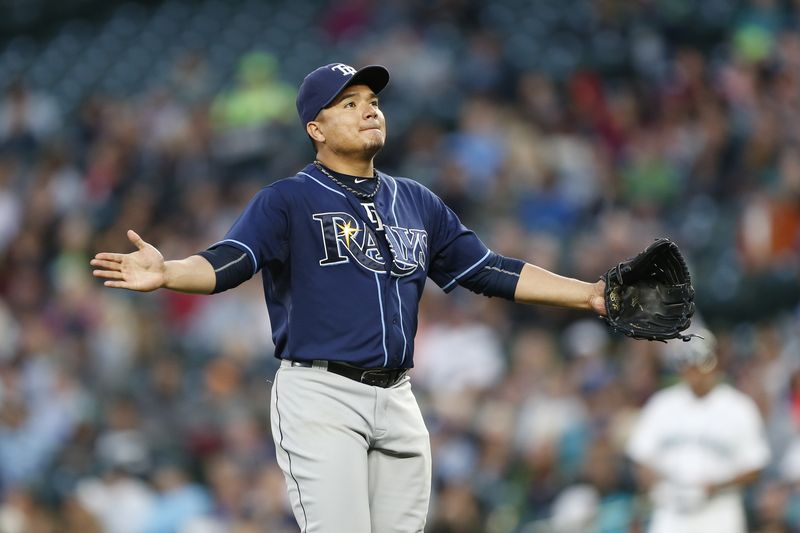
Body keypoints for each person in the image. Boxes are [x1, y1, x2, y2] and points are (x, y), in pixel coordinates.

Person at [91, 62, 608, 532]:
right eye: (349, 103)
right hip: (322, 395)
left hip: (399, 396)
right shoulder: (288, 199)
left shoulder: (416, 200)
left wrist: (588, 295)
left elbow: (488, 269)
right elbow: (231, 260)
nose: (369, 111)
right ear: (315, 129)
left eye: (373, 102)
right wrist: (169, 271)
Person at [626, 329, 771, 533]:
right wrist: (658, 484)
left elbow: (755, 465)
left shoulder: (739, 407)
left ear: (715, 363)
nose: (694, 372)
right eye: (688, 364)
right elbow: (640, 456)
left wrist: (716, 485)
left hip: (719, 511)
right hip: (671, 509)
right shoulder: (662, 404)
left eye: (700, 363)